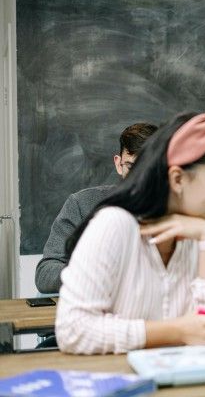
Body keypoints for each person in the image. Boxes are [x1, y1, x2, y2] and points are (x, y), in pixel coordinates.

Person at [55, 104, 205, 354]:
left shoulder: (203, 228)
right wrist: (178, 331)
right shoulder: (114, 224)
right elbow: (73, 330)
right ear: (177, 179)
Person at [35, 123, 158, 294]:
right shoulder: (81, 204)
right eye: (131, 167)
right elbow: (45, 274)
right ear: (118, 164)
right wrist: (87, 274)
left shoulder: (176, 209)